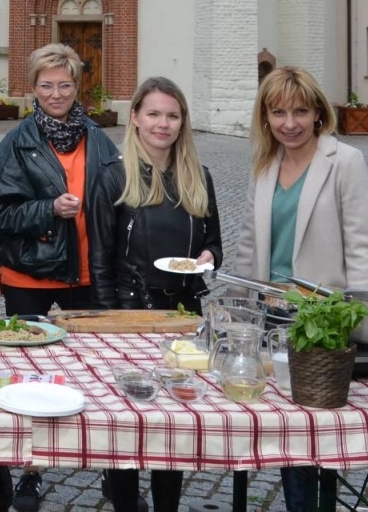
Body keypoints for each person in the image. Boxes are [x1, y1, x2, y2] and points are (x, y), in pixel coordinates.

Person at [230, 66, 368, 512]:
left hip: (323, 321)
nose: (289, 123)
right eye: (278, 112)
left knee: (325, 426)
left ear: (317, 112)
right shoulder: (264, 165)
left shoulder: (344, 161)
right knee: (288, 433)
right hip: (270, 318)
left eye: (299, 111)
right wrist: (241, 306)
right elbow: (247, 244)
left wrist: (355, 317)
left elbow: (363, 247)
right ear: (265, 117)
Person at [0, 43, 120, 512]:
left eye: (64, 84)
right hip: (31, 276)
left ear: (77, 85)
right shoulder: (17, 142)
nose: (56, 93)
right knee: (27, 380)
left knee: (101, 373)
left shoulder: (99, 138)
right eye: (47, 85)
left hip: (89, 273)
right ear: (33, 88)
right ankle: (29, 473)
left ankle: (113, 472)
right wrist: (49, 209)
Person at [87, 77, 222, 512]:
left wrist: (207, 256)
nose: (163, 124)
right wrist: (110, 321)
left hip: (183, 314)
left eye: (172, 115)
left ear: (183, 122)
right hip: (129, 313)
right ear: (136, 119)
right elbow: (100, 261)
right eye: (154, 114)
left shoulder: (198, 177)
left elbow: (214, 242)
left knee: (175, 422)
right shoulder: (112, 178)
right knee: (126, 423)